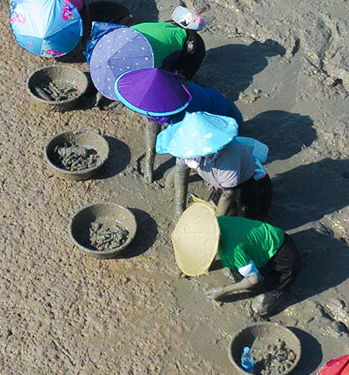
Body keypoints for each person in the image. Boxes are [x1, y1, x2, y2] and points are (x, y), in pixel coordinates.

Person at [171, 200, 302, 318]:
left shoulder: (232, 250)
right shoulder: (218, 222)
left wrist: (222, 291)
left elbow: (254, 279)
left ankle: (279, 292)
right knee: (239, 276)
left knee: (259, 307)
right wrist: (198, 268)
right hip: (267, 239)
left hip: (283, 256)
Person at [114, 67, 243, 182]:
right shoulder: (160, 95)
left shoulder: (186, 114)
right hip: (210, 106)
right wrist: (149, 161)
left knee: (198, 164)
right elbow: (151, 124)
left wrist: (177, 171)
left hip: (225, 122)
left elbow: (186, 151)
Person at [159, 112, 273, 217]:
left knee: (244, 219)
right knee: (209, 210)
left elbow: (228, 194)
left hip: (249, 182)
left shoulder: (228, 160)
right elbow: (180, 171)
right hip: (222, 182)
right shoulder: (185, 148)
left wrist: (217, 221)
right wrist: (179, 208)